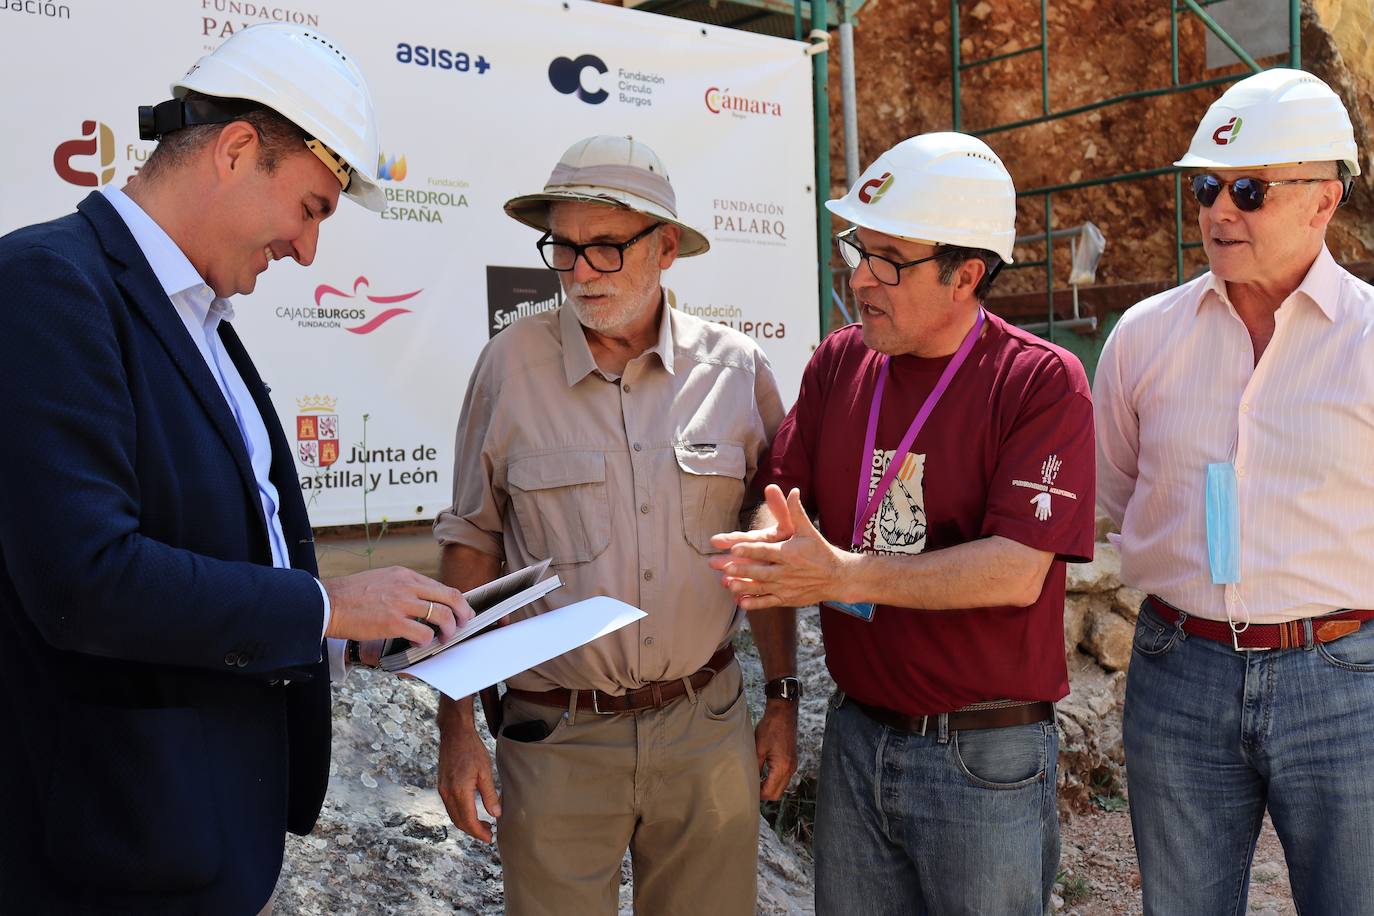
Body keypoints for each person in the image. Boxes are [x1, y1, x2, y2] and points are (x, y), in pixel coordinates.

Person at [0, 24, 470, 915]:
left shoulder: (202, 320)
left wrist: (343, 634)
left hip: (201, 835)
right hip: (105, 856)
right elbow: (84, 580)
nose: (307, 250)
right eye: (312, 208)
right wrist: (327, 603)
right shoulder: (47, 285)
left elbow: (211, 553)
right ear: (238, 149)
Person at [711, 132, 1096, 915]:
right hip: (858, 740)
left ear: (967, 274)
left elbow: (1017, 569)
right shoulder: (838, 363)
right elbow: (779, 520)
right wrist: (781, 688)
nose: (861, 279)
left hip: (985, 756)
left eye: (892, 260)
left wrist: (846, 575)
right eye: (860, 249)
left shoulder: (1040, 382)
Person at [433, 134, 798, 916]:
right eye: (563, 250)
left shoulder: (737, 374)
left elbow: (768, 552)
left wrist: (784, 698)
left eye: (605, 249)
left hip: (706, 727)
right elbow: (470, 545)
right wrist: (456, 727)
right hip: (555, 739)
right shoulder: (508, 368)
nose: (581, 274)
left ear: (666, 247)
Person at [1095, 67, 1373, 914]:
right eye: (1207, 187)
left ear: (1323, 202)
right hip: (1178, 671)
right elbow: (1114, 490)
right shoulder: (1143, 339)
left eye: (1248, 190)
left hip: (1345, 680)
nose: (1219, 210)